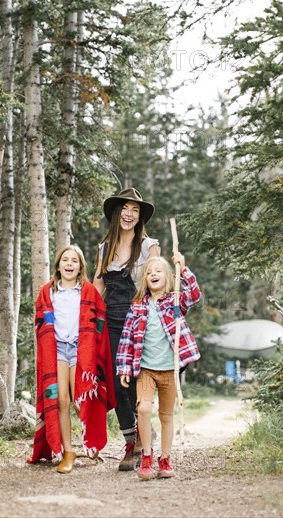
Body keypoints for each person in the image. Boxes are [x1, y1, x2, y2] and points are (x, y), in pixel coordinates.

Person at [27, 245, 116, 474]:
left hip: (80, 349)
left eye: (74, 261)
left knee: (81, 398)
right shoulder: (48, 292)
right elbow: (41, 322)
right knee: (61, 401)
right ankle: (68, 452)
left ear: (80, 267)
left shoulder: (87, 292)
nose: (69, 264)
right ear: (58, 265)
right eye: (65, 260)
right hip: (56, 349)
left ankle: (91, 439)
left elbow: (99, 320)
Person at [116, 254, 201, 480]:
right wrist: (124, 368)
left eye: (158, 271)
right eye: (149, 272)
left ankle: (165, 459)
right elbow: (126, 339)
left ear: (169, 277)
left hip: (170, 370)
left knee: (166, 415)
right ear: (145, 278)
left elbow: (194, 295)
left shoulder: (175, 302)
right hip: (146, 369)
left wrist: (183, 269)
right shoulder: (137, 308)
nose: (153, 274)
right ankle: (146, 456)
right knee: (143, 409)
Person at [93, 187, 160, 471]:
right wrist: (89, 317)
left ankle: (146, 435)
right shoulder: (104, 248)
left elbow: (158, 278)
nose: (129, 214)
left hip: (140, 317)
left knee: (135, 379)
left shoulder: (149, 246)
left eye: (134, 210)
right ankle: (131, 441)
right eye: (124, 209)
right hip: (111, 317)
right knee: (115, 380)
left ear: (139, 216)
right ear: (116, 213)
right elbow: (98, 285)